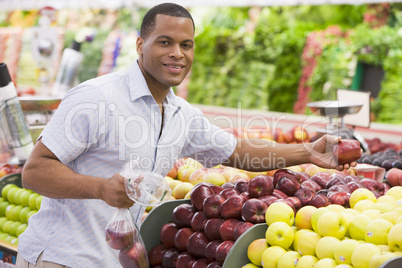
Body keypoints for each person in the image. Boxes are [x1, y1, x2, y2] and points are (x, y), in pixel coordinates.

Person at [16, 3, 356, 267]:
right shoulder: (97, 98)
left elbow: (238, 151)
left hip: (116, 259)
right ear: (140, 44)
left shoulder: (181, 114)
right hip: (60, 258)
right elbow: (34, 172)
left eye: (186, 44)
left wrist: (308, 153)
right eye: (165, 42)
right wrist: (101, 188)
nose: (177, 53)